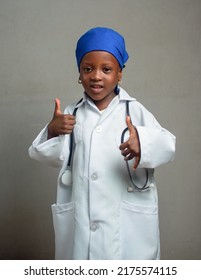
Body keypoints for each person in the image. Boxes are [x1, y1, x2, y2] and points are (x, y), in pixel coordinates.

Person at [28, 27, 176, 260]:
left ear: (119, 74)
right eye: (88, 69)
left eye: (106, 69)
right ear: (79, 73)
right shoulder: (71, 113)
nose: (96, 76)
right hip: (82, 222)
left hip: (127, 222)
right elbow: (44, 154)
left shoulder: (134, 110)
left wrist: (143, 142)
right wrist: (52, 130)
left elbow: (168, 145)